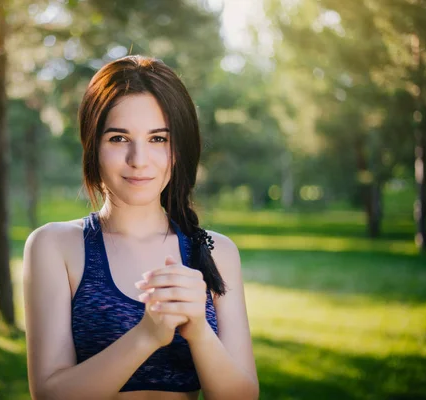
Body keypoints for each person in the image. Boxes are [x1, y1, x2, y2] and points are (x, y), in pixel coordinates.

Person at [23, 55, 259, 400]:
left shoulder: (216, 252)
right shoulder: (55, 246)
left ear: (178, 148)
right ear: (92, 144)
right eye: (119, 139)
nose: (139, 159)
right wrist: (147, 335)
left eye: (158, 139)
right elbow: (49, 394)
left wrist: (199, 332)